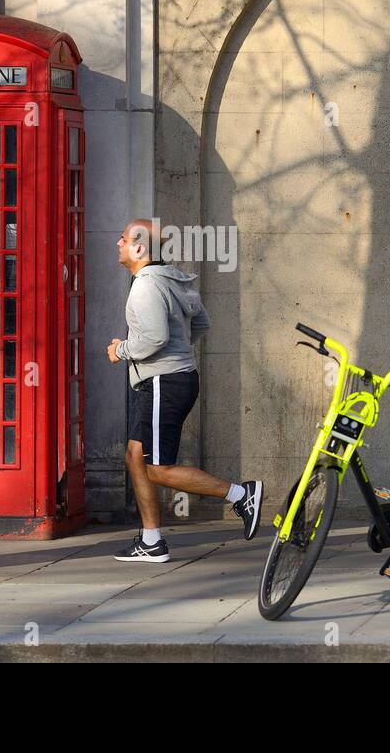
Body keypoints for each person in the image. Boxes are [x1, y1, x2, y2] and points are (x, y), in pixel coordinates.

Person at [107, 218, 263, 562]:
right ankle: (151, 541)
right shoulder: (174, 278)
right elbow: (201, 324)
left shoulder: (146, 286)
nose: (117, 244)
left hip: (165, 382)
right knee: (135, 456)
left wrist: (120, 350)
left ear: (139, 247)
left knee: (158, 468)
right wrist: (178, 352)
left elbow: (154, 338)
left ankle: (241, 494)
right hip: (170, 378)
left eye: (121, 239)